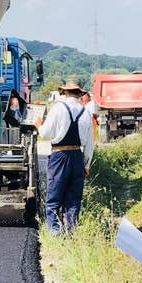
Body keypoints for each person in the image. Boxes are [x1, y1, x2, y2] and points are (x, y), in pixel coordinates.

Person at [37, 80, 93, 233]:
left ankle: (55, 232)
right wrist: (86, 165)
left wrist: (38, 125)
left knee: (54, 194)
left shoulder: (58, 108)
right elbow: (89, 144)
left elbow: (45, 134)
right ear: (79, 94)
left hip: (59, 155)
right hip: (77, 156)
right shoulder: (85, 112)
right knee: (74, 198)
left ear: (65, 92)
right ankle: (71, 230)